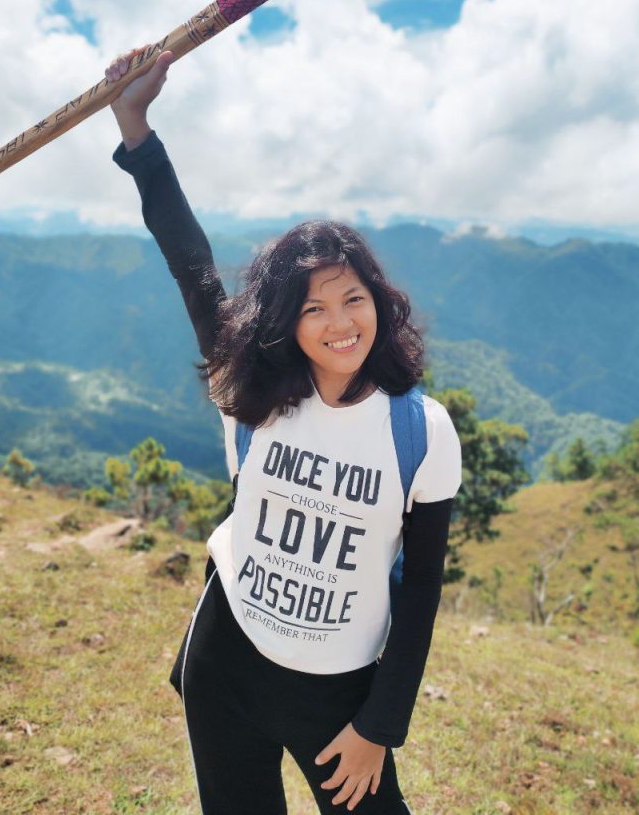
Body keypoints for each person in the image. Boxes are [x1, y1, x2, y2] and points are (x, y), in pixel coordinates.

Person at [108, 46, 462, 815]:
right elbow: (191, 263)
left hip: (340, 697)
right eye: (312, 308)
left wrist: (380, 728)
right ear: (284, 323)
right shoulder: (255, 392)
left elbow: (425, 590)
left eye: (353, 299)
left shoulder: (421, 434)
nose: (341, 324)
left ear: (380, 300)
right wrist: (136, 129)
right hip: (227, 668)